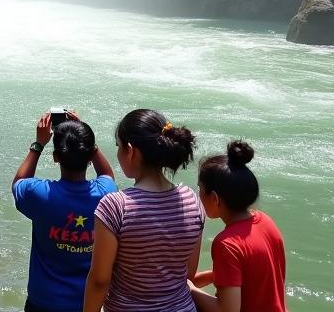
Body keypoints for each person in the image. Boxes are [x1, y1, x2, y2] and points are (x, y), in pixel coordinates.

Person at [83, 108, 204, 312]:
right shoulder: (192, 200)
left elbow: (100, 281)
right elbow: (188, 274)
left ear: (130, 151)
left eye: (119, 147)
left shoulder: (115, 206)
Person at [13, 110, 117, 312]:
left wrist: (38, 144)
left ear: (55, 157)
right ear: (89, 156)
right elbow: (106, 174)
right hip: (88, 301)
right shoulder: (105, 194)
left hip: (43, 300)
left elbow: (19, 183)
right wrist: (86, 138)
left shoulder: (40, 194)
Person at [187, 140, 287, 312]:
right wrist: (208, 276)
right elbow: (254, 273)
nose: (198, 195)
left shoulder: (226, 244)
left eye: (200, 189)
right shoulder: (265, 221)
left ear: (216, 198)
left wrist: (190, 290)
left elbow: (227, 310)